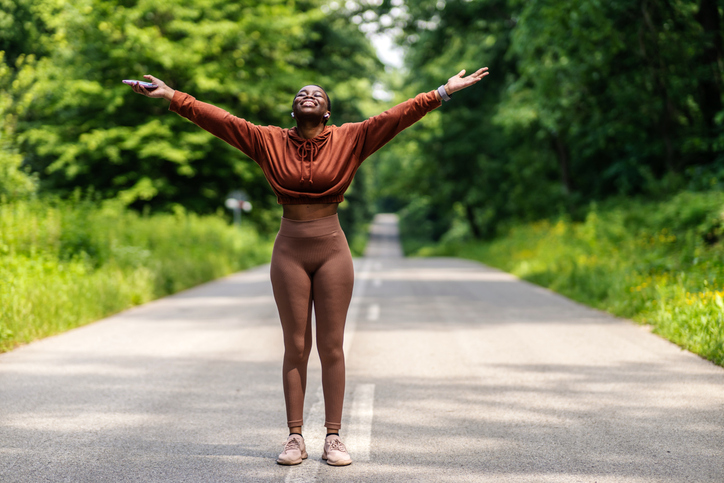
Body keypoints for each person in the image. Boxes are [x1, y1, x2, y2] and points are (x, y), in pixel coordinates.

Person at [128, 66, 488, 466]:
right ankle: (295, 437)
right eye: (302, 93)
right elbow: (221, 121)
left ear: (328, 113)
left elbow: (397, 117)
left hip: (333, 249)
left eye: (317, 94)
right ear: (293, 110)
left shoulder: (352, 137)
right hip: (289, 251)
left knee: (331, 346)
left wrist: (442, 91)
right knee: (295, 346)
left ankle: (334, 437)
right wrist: (172, 96)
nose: (308, 95)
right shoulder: (268, 140)